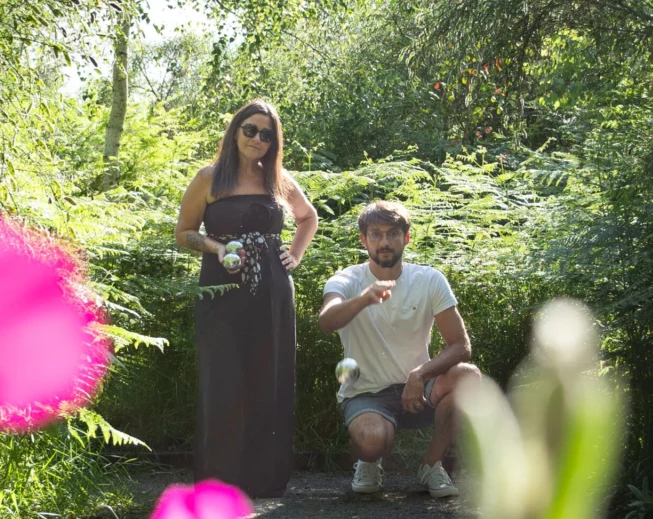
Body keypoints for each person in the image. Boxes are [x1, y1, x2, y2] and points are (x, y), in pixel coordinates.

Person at [174, 99, 318, 498]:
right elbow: (184, 232)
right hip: (220, 288)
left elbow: (309, 217)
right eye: (250, 130)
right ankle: (220, 480)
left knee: (267, 375)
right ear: (235, 131)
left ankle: (264, 478)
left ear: (274, 142)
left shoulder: (277, 179)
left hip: (272, 288)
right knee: (222, 378)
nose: (257, 139)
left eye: (266, 134)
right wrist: (215, 248)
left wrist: (296, 253)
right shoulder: (209, 178)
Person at [318, 200, 480, 497]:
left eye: (393, 233)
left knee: (467, 375)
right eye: (376, 234)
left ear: (406, 238)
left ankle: (431, 465)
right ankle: (369, 460)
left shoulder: (429, 280)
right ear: (363, 239)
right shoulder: (346, 280)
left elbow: (461, 346)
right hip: (366, 393)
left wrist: (420, 374)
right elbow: (327, 321)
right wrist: (365, 298)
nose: (384, 241)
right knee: (371, 440)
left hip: (419, 390)